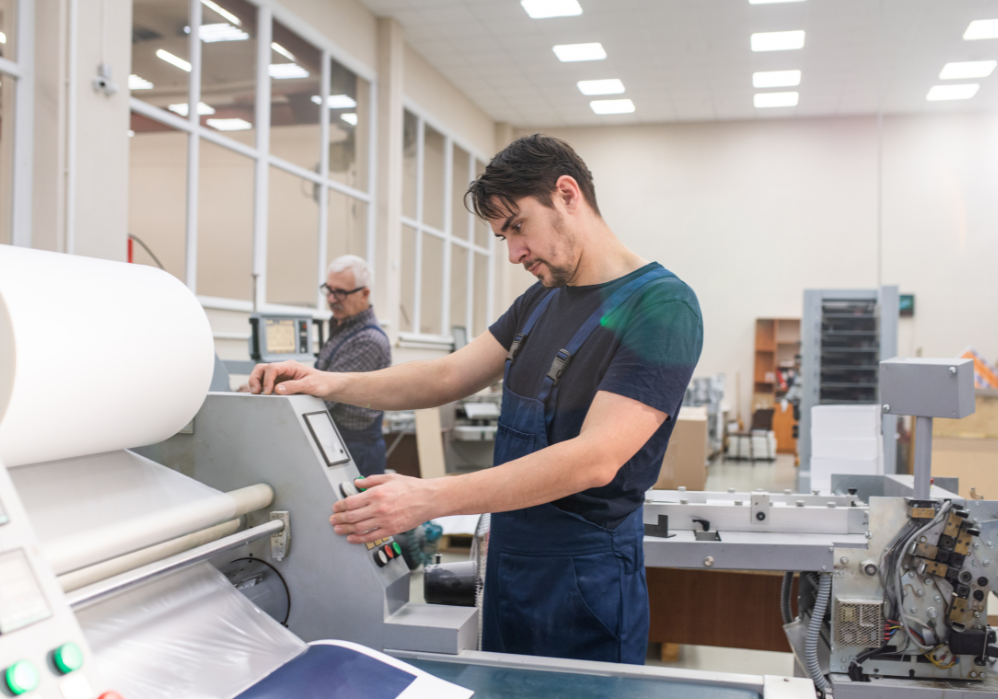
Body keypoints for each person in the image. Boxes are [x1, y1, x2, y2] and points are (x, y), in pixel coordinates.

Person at [250, 135, 703, 665]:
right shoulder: (541, 299)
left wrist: (430, 497)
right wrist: (325, 381)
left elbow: (595, 459)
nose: (514, 253)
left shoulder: (661, 307)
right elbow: (446, 375)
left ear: (566, 194)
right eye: (501, 236)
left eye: (517, 227)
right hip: (510, 564)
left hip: (584, 581)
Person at [315, 255, 391, 476]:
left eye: (340, 292)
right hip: (339, 441)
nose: (331, 298)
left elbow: (326, 395)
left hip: (357, 450)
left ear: (364, 294)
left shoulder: (367, 340)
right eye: (328, 289)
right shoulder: (342, 328)